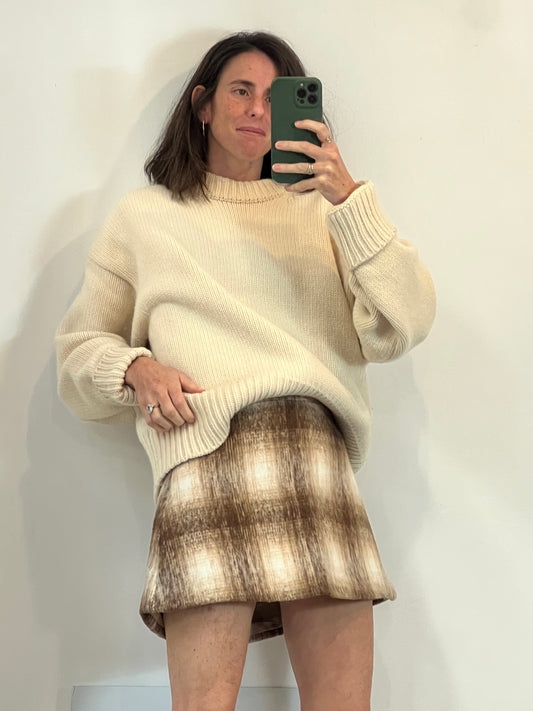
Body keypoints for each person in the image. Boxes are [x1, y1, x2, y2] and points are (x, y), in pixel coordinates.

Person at [56, 30, 435, 711]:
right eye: (240, 91)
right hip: (204, 458)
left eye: (274, 95)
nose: (259, 109)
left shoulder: (325, 212)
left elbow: (404, 322)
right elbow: (78, 349)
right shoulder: (145, 218)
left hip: (315, 458)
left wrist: (348, 197)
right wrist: (136, 367)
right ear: (201, 104)